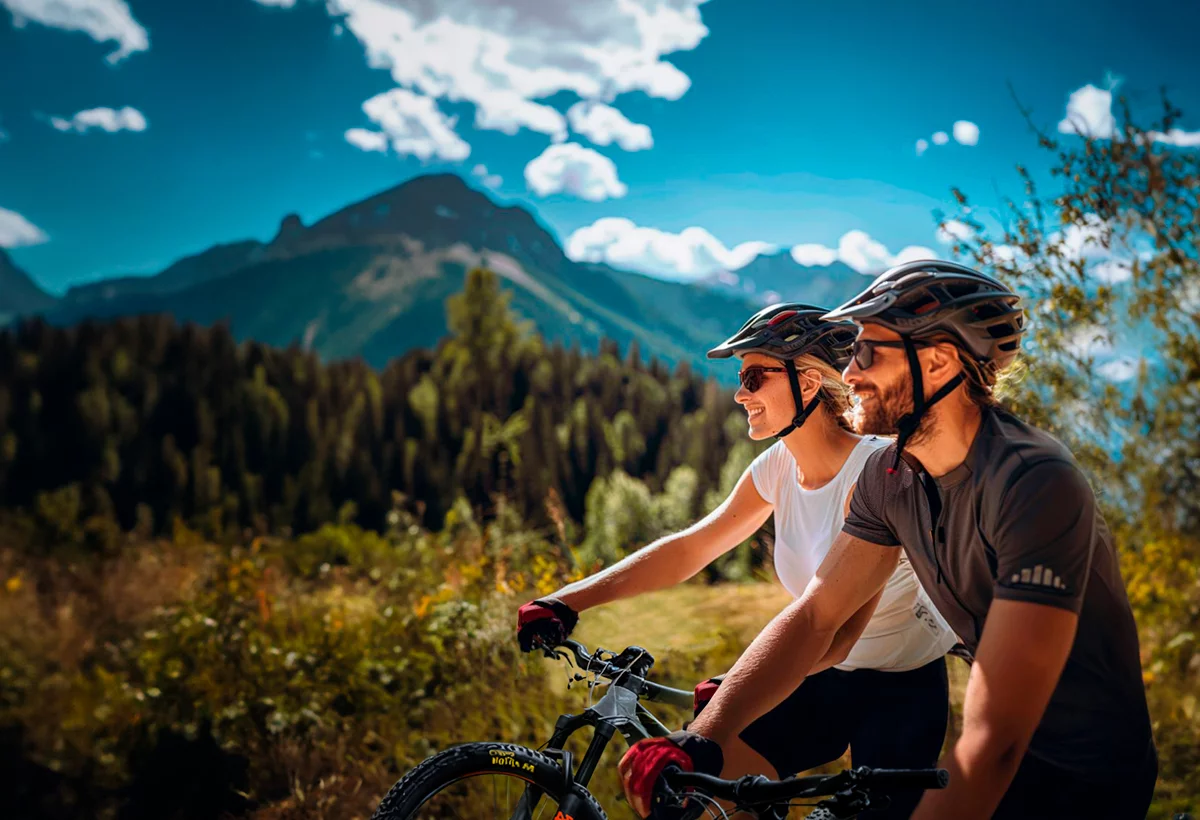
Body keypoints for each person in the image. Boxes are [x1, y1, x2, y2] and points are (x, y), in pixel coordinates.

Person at [617, 260, 1158, 820]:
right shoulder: (889, 476)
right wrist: (705, 736)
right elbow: (816, 618)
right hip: (993, 758)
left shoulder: (1034, 483)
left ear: (939, 361)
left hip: (1084, 775)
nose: (847, 373)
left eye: (869, 351)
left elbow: (995, 743)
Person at [517, 303, 958, 819]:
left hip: (901, 691)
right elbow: (692, 547)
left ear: (810, 382)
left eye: (753, 376)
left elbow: (831, 631)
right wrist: (567, 600)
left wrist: (737, 691)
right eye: (740, 378)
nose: (739, 393)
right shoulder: (777, 467)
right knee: (708, 795)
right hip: (820, 679)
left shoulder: (878, 474)